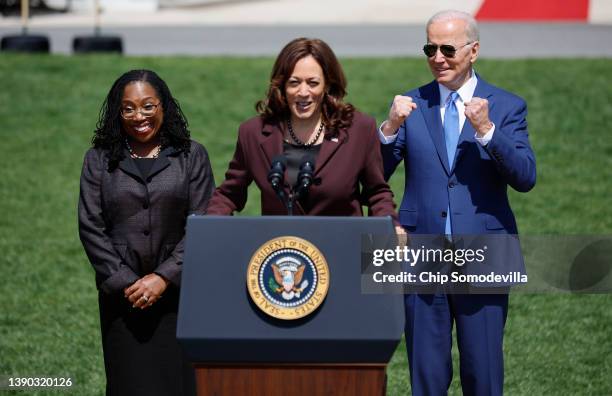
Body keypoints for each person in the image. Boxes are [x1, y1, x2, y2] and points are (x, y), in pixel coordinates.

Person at [379, 10, 536, 396]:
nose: (438, 57)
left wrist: (487, 131)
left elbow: (525, 177)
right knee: (426, 377)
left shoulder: (506, 106)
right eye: (429, 48)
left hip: (485, 253)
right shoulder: (410, 105)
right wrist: (388, 129)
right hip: (421, 255)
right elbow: (373, 176)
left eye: (447, 48)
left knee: (483, 375)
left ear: (473, 50)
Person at [78, 69, 215, 396]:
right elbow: (90, 226)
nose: (139, 116)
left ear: (164, 107)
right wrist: (127, 282)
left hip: (179, 300)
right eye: (129, 108)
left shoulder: (191, 156)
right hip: (123, 302)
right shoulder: (98, 160)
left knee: (179, 384)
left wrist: (164, 277)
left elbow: (202, 221)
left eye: (148, 106)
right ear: (117, 112)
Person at [206, 37, 398, 226]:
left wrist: (392, 227)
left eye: (313, 83)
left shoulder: (359, 129)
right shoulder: (253, 133)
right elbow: (229, 194)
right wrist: (209, 225)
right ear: (281, 85)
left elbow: (377, 194)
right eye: (294, 82)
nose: (303, 92)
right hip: (281, 253)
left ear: (327, 85)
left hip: (342, 250)